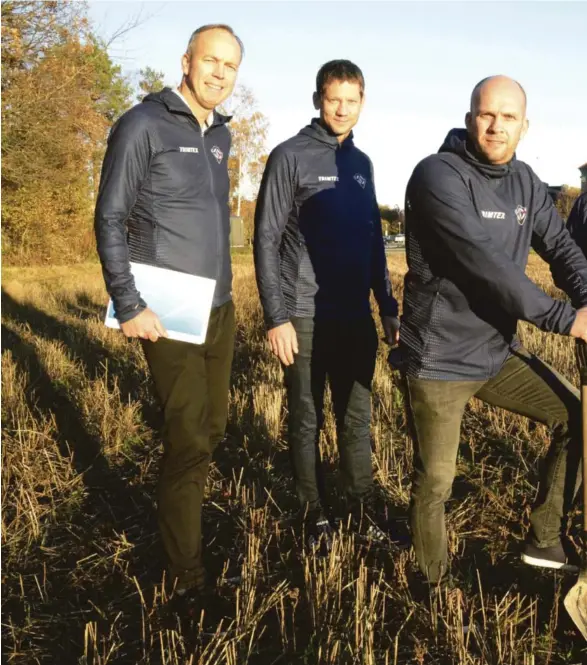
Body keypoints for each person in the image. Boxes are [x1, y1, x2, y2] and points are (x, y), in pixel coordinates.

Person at [399, 75, 587, 585]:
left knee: (577, 417)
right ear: (469, 119)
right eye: (486, 114)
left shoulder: (526, 181)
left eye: (508, 117)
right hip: (439, 359)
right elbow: (486, 266)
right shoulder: (437, 177)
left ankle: (543, 540)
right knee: (437, 480)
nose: (496, 126)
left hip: (495, 353)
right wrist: (566, 319)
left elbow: (562, 248)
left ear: (525, 126)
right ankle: (432, 587)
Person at [94, 25, 243, 603]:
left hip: (221, 308)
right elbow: (110, 218)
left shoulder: (220, 135)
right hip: (167, 309)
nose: (220, 73)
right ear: (186, 60)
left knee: (211, 428)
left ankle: (187, 522)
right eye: (211, 61)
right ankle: (186, 578)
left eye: (231, 66)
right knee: (188, 436)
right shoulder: (142, 124)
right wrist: (129, 303)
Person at [254, 60, 400, 554]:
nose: (342, 108)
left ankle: (360, 510)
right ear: (318, 98)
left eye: (352, 100)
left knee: (357, 417)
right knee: (306, 416)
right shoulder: (289, 156)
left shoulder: (362, 165)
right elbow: (266, 239)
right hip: (304, 314)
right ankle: (312, 512)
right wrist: (277, 316)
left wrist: (387, 306)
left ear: (362, 102)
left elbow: (373, 242)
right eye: (334, 98)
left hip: (354, 314)